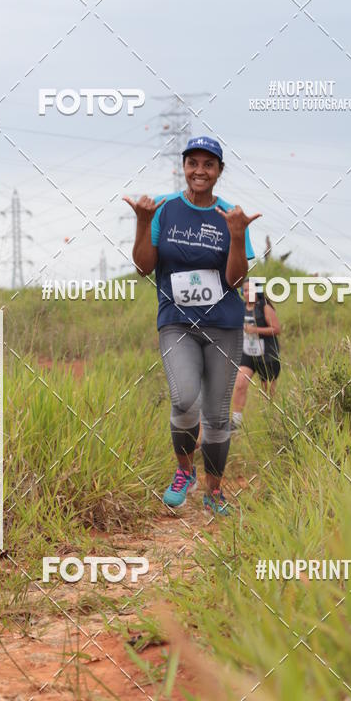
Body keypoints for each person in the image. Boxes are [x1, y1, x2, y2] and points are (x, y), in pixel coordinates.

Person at [123, 136, 261, 515]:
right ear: (183, 167)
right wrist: (142, 222)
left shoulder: (232, 215)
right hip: (177, 322)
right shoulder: (164, 209)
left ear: (218, 171)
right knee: (184, 398)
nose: (200, 170)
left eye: (208, 164)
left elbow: (235, 281)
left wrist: (235, 235)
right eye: (193, 163)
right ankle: (185, 472)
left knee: (217, 416)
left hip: (223, 325)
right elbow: (143, 267)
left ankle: (214, 492)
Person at [231, 280, 282, 430]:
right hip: (247, 353)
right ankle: (235, 422)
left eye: (250, 290)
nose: (247, 294)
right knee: (240, 384)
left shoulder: (264, 307)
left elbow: (277, 329)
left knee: (267, 392)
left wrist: (255, 330)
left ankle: (270, 423)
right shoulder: (240, 307)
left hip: (266, 353)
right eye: (245, 291)